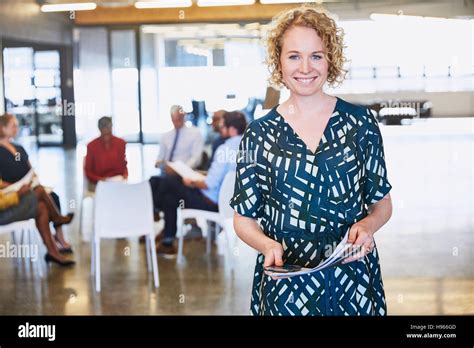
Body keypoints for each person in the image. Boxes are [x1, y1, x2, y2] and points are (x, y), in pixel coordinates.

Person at [230, 5, 393, 316]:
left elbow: (381, 203)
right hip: (288, 282)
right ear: (278, 61)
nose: (305, 67)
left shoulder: (359, 123)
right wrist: (266, 245)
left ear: (330, 59)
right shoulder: (259, 134)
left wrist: (368, 226)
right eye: (294, 56)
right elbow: (243, 218)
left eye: (316, 55)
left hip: (351, 275)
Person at [156, 111, 247, 258]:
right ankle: (167, 240)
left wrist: (191, 181)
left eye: (222, 126)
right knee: (170, 196)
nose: (220, 129)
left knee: (170, 183)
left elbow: (209, 184)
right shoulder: (249, 148)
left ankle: (164, 231)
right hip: (233, 203)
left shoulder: (224, 149)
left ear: (231, 129)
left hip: (211, 202)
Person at [0, 113, 74, 255]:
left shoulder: (18, 148)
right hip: (12, 192)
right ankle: (55, 239)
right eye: (13, 126)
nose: (16, 129)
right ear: (3, 128)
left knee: (53, 196)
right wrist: (14, 187)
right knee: (42, 199)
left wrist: (32, 179)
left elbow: (29, 169)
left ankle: (59, 238)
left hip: (27, 186)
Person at [150, 105, 204, 212]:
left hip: (184, 175)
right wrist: (162, 165)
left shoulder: (195, 133)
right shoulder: (165, 136)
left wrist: (179, 170)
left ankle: (155, 209)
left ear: (184, 116)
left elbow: (196, 158)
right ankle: (167, 227)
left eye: (178, 119)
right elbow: (159, 160)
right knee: (154, 183)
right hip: (167, 174)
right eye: (174, 119)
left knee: (166, 183)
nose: (176, 122)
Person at [84, 116, 128, 192]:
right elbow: (88, 171)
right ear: (99, 129)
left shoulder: (121, 143)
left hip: (117, 181)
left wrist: (124, 176)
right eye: (103, 130)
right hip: (98, 182)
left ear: (111, 128)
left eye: (108, 129)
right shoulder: (91, 146)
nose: (106, 132)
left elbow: (124, 164)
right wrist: (101, 179)